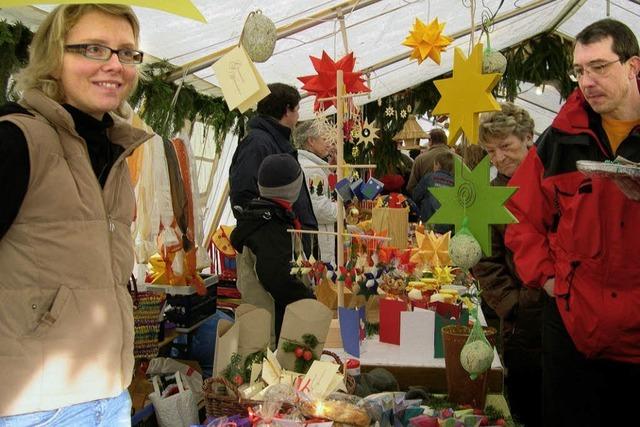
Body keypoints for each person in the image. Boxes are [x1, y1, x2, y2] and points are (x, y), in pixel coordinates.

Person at [0, 4, 151, 424]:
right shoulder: (17, 140)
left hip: (110, 393)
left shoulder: (115, 151)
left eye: (127, 52)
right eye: (94, 49)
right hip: (34, 406)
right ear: (53, 57)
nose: (115, 65)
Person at [505, 19, 640, 427]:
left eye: (599, 67)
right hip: (572, 329)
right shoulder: (560, 139)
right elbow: (519, 215)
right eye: (580, 70)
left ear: (633, 66)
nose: (587, 80)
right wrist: (549, 280)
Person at [472, 102, 545, 427]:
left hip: (567, 314)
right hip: (521, 322)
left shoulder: (553, 179)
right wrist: (513, 306)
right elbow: (486, 262)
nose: (499, 158)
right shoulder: (491, 196)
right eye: (491, 151)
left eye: (506, 147)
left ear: (528, 138)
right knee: (524, 404)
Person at [230, 154, 315, 340]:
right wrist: (308, 300)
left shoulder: (259, 216)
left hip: (258, 317)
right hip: (273, 324)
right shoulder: (271, 227)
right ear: (294, 188)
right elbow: (277, 276)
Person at [229, 82, 318, 255]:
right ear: (287, 110)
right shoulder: (257, 144)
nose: (298, 116)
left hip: (288, 241)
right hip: (275, 248)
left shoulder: (275, 141)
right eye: (297, 110)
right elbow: (243, 196)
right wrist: (275, 231)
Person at [294, 120, 338, 263]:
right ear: (311, 141)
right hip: (317, 242)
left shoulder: (305, 164)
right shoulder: (313, 170)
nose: (329, 143)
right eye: (324, 138)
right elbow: (320, 210)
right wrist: (342, 209)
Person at [412, 150, 454, 235]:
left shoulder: (428, 178)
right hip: (448, 228)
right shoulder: (455, 182)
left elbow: (415, 196)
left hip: (428, 225)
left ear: (437, 164)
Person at [406, 128, 451, 194]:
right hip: (453, 202)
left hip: (426, 202)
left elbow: (411, 187)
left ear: (430, 141)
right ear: (446, 141)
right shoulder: (460, 160)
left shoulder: (420, 159)